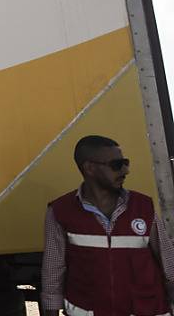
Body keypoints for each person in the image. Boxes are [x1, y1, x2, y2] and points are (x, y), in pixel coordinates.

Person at [41, 135, 174, 316]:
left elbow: (170, 265)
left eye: (125, 163)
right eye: (116, 165)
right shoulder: (60, 211)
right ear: (90, 168)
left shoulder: (143, 207)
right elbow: (53, 272)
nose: (125, 170)